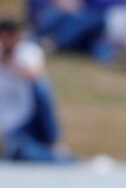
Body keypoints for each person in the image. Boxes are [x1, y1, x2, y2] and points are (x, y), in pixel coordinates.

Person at [0, 18, 72, 162]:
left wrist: (6, 61)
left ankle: (54, 142)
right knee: (24, 152)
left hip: (29, 115)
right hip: (10, 125)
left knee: (40, 87)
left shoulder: (27, 51)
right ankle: (63, 161)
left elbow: (33, 74)